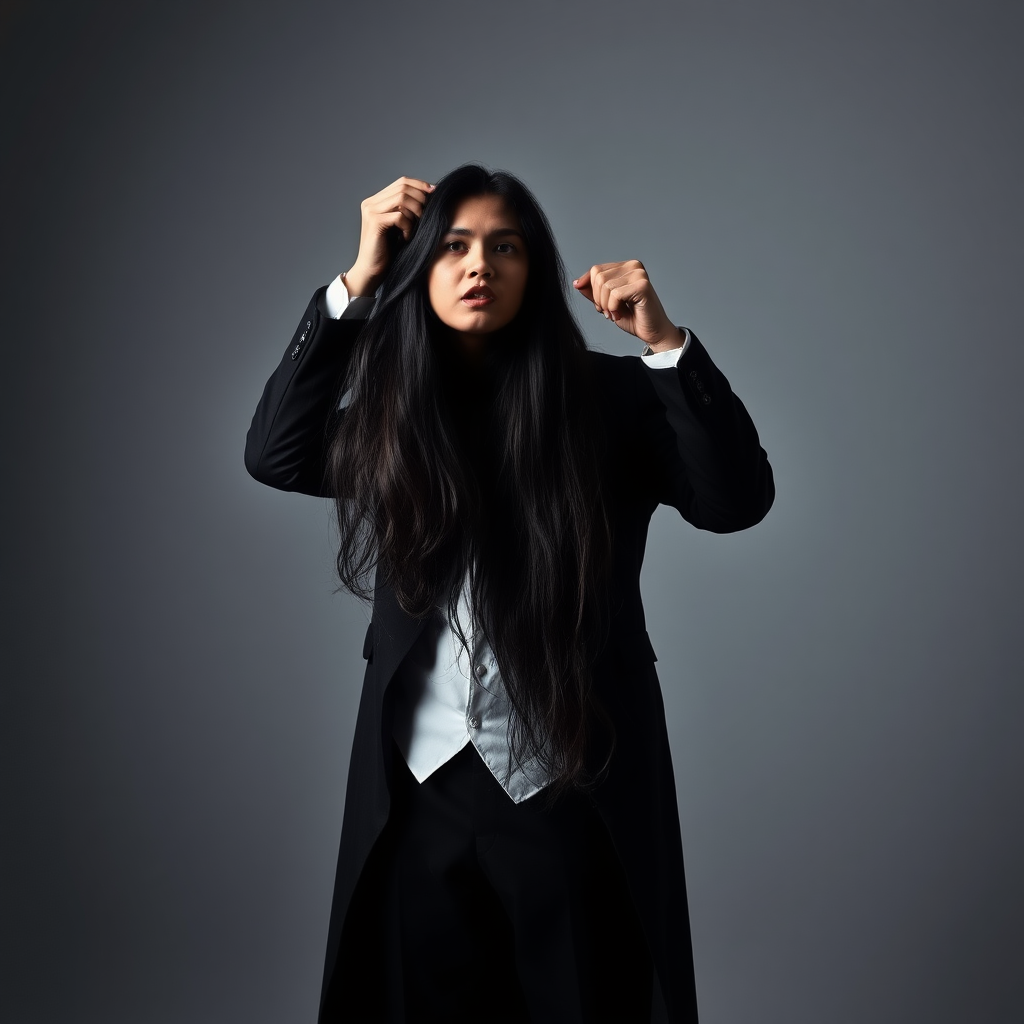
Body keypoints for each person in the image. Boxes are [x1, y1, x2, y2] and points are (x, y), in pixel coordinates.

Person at [244, 165, 775, 1023]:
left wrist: (665, 344)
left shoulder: (613, 398)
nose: (478, 265)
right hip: (418, 800)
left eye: (505, 246)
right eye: (452, 247)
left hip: (569, 788)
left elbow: (736, 502)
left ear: (536, 269)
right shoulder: (394, 405)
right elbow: (276, 453)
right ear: (421, 266)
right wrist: (355, 282)